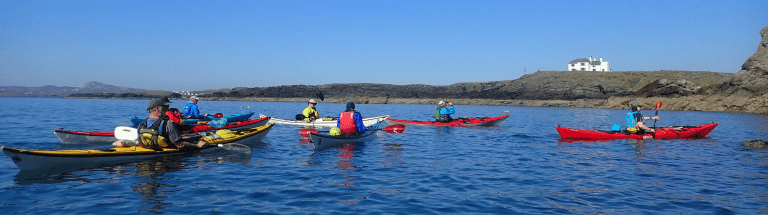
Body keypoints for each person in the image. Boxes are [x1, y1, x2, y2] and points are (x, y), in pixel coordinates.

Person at [114, 96, 206, 149]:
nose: (167, 109)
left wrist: (124, 142)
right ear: (158, 108)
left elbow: (139, 142)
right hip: (167, 158)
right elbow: (180, 144)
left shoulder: (142, 124)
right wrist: (197, 145)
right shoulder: (167, 123)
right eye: (165, 107)